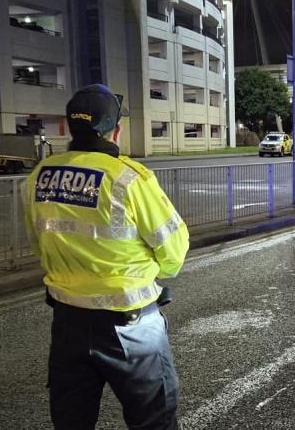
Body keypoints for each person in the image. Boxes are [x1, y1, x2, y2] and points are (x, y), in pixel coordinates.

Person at [22, 84, 189, 430]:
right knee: (154, 420)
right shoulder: (129, 178)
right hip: (131, 327)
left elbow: (40, 243)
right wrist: (153, 272)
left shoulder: (40, 176)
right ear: (115, 129)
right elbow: (174, 250)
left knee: (72, 421)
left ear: (73, 127)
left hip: (67, 323)